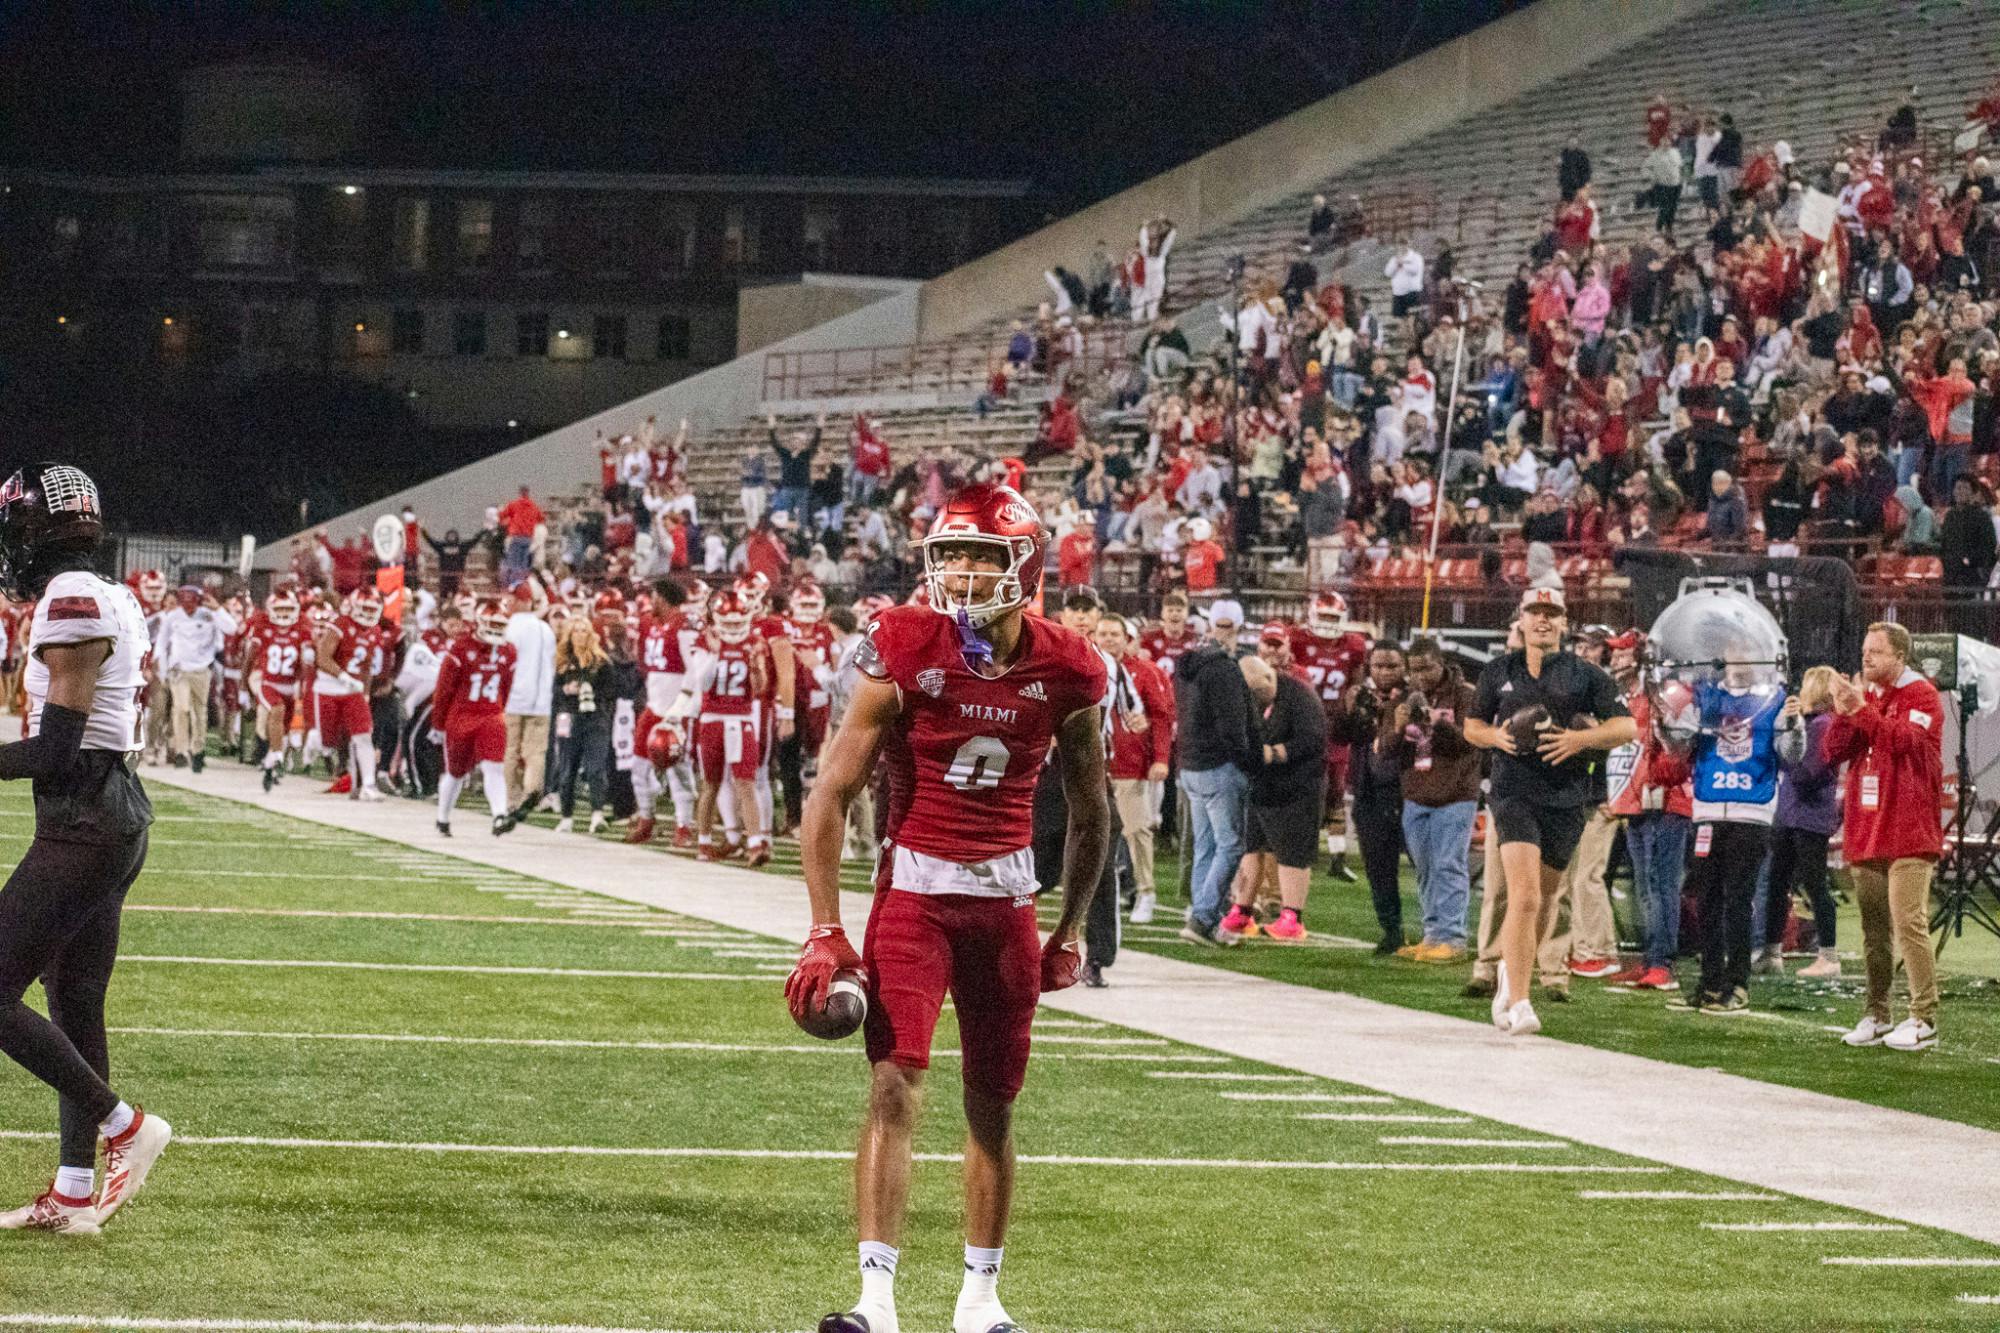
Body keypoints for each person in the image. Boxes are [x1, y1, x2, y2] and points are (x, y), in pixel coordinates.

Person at [789, 482, 1108, 1333]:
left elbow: (1092, 809)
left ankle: (980, 1300)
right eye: (952, 553)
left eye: (981, 554)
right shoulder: (903, 643)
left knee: (993, 1102)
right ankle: (875, 1300)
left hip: (1006, 902)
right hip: (915, 895)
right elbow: (830, 794)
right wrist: (826, 929)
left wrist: (1072, 927)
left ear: (1024, 564)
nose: (962, 571)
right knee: (893, 1083)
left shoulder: (1069, 664)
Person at [0, 462, 172, 1236]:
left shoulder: (70, 596)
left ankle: (125, 1125)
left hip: (86, 815)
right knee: (73, 1000)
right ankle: (74, 1192)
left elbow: (57, 749)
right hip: (109, 810)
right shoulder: (109, 592)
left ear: (38, 527)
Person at [1465, 586, 1635, 1035]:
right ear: (1520, 620)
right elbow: (1472, 725)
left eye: (1552, 613)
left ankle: (1511, 972)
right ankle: (1521, 1002)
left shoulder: (1586, 675)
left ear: (1564, 622)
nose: (1543, 620)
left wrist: (1580, 740)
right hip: (1513, 792)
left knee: (1544, 900)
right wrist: (1495, 738)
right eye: (1535, 612)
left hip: (1566, 795)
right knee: (1524, 896)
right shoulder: (1498, 671)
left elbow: (1626, 726)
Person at [1825, 622, 1945, 1052]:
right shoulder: (1869, 697)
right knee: (1874, 930)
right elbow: (1831, 752)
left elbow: (1904, 742)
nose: (1866, 657)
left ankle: (1924, 1018)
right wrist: (1843, 710)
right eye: (1864, 650)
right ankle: (1877, 1014)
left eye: (1875, 651)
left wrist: (1860, 710)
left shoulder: (1922, 694)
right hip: (1868, 829)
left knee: (1909, 923)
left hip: (1909, 831)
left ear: (1899, 656)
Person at [1665, 647, 1794, 1012]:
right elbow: (1678, 745)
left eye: (1748, 651)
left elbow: (1791, 754)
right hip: (1708, 808)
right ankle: (1709, 982)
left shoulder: (1773, 699)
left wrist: (1794, 727)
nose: (1741, 658)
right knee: (1707, 900)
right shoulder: (1706, 696)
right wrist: (1667, 721)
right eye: (1735, 650)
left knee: (1738, 901)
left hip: (1751, 811)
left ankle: (1737, 983)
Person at [1217, 653, 1328, 942]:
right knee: (1251, 847)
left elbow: (1313, 740)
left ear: (1269, 677)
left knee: (1292, 852)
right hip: (1262, 786)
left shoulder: (1301, 697)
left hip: (1297, 787)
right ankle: (1242, 910)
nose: (1255, 700)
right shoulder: (1250, 696)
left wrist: (1274, 753)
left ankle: (1292, 917)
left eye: (1257, 693)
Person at [1604, 632, 1693, 991]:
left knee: (1661, 885)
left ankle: (1662, 963)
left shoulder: (1668, 693)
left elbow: (1682, 742)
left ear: (1642, 658)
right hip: (1637, 801)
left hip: (1667, 800)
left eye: (1623, 654)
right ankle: (1650, 957)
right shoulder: (1625, 698)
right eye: (1615, 654)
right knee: (1645, 886)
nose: (1615, 660)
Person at [1174, 598, 1259, 947]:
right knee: (1230, 845)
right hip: (1217, 767)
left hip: (1191, 764)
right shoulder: (1223, 669)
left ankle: (1202, 916)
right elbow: (1233, 726)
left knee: (1206, 846)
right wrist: (1248, 760)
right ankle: (1204, 917)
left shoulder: (1188, 666)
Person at [1394, 638, 1479, 962]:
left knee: (1449, 865)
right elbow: (1390, 748)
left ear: (1441, 663)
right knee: (1425, 868)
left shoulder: (1466, 695)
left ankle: (1453, 937)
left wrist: (1438, 723)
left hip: (1456, 793)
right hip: (1416, 793)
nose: (1421, 676)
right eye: (1414, 670)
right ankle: (1433, 934)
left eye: (1427, 668)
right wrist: (1400, 724)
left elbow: (1470, 743)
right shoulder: (1406, 697)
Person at [1767, 666, 1844, 980]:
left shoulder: (1824, 725)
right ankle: (1771, 952)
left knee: (1814, 884)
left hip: (1810, 816)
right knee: (1777, 883)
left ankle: (1829, 955)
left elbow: (1806, 771)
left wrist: (1787, 752)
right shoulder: (1809, 723)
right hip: (1790, 814)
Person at [1096, 613, 1173, 926]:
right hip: (1094, 764)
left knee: (1136, 831)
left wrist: (1161, 758)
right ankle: (1104, 893)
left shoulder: (1144, 671)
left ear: (1126, 638)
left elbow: (1162, 716)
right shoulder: (1087, 666)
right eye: (1103, 634)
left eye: (1114, 634)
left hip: (1130, 764)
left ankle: (1145, 892)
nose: (1109, 640)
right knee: (1094, 835)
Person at [1332, 644, 1410, 954]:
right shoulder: (1360, 696)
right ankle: (1391, 929)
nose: (1385, 672)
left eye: (1392, 666)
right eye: (1378, 666)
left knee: (1426, 865)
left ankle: (1440, 930)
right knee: (1378, 865)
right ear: (1369, 667)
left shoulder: (1413, 697)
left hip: (1407, 790)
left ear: (1404, 667)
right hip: (1368, 791)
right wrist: (1348, 710)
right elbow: (1338, 736)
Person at [430, 601, 519, 837]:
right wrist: (438, 724)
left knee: (494, 766)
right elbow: (444, 690)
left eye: (500, 625)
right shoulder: (461, 648)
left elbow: (507, 688)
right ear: (480, 623)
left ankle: (499, 815)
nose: (497, 630)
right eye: (492, 624)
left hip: (491, 714)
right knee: (456, 773)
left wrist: (502, 711)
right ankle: (442, 818)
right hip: (461, 717)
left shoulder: (508, 651)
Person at [152, 583, 236, 772]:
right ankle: (181, 751)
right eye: (185, 603)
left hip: (202, 670)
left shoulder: (209, 615)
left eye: (192, 603)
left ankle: (198, 750)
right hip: (179, 669)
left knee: (200, 711)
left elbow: (231, 628)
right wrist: (162, 669)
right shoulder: (173, 617)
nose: (188, 607)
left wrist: (218, 609)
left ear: (198, 601)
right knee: (181, 709)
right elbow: (161, 643)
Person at [550, 616, 613, 834]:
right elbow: (552, 691)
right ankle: (567, 816)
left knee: (596, 768)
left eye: (583, 630)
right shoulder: (561, 662)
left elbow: (611, 690)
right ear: (569, 635)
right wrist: (565, 690)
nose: (579, 635)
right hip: (567, 717)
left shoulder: (600, 662)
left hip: (595, 718)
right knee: (567, 768)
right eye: (575, 631)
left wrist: (593, 693)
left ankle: (597, 814)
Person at [501, 583, 556, 814]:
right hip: (540, 700)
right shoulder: (545, 629)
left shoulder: (507, 628)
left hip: (512, 699)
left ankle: (511, 799)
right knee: (535, 752)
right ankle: (531, 792)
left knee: (510, 750)